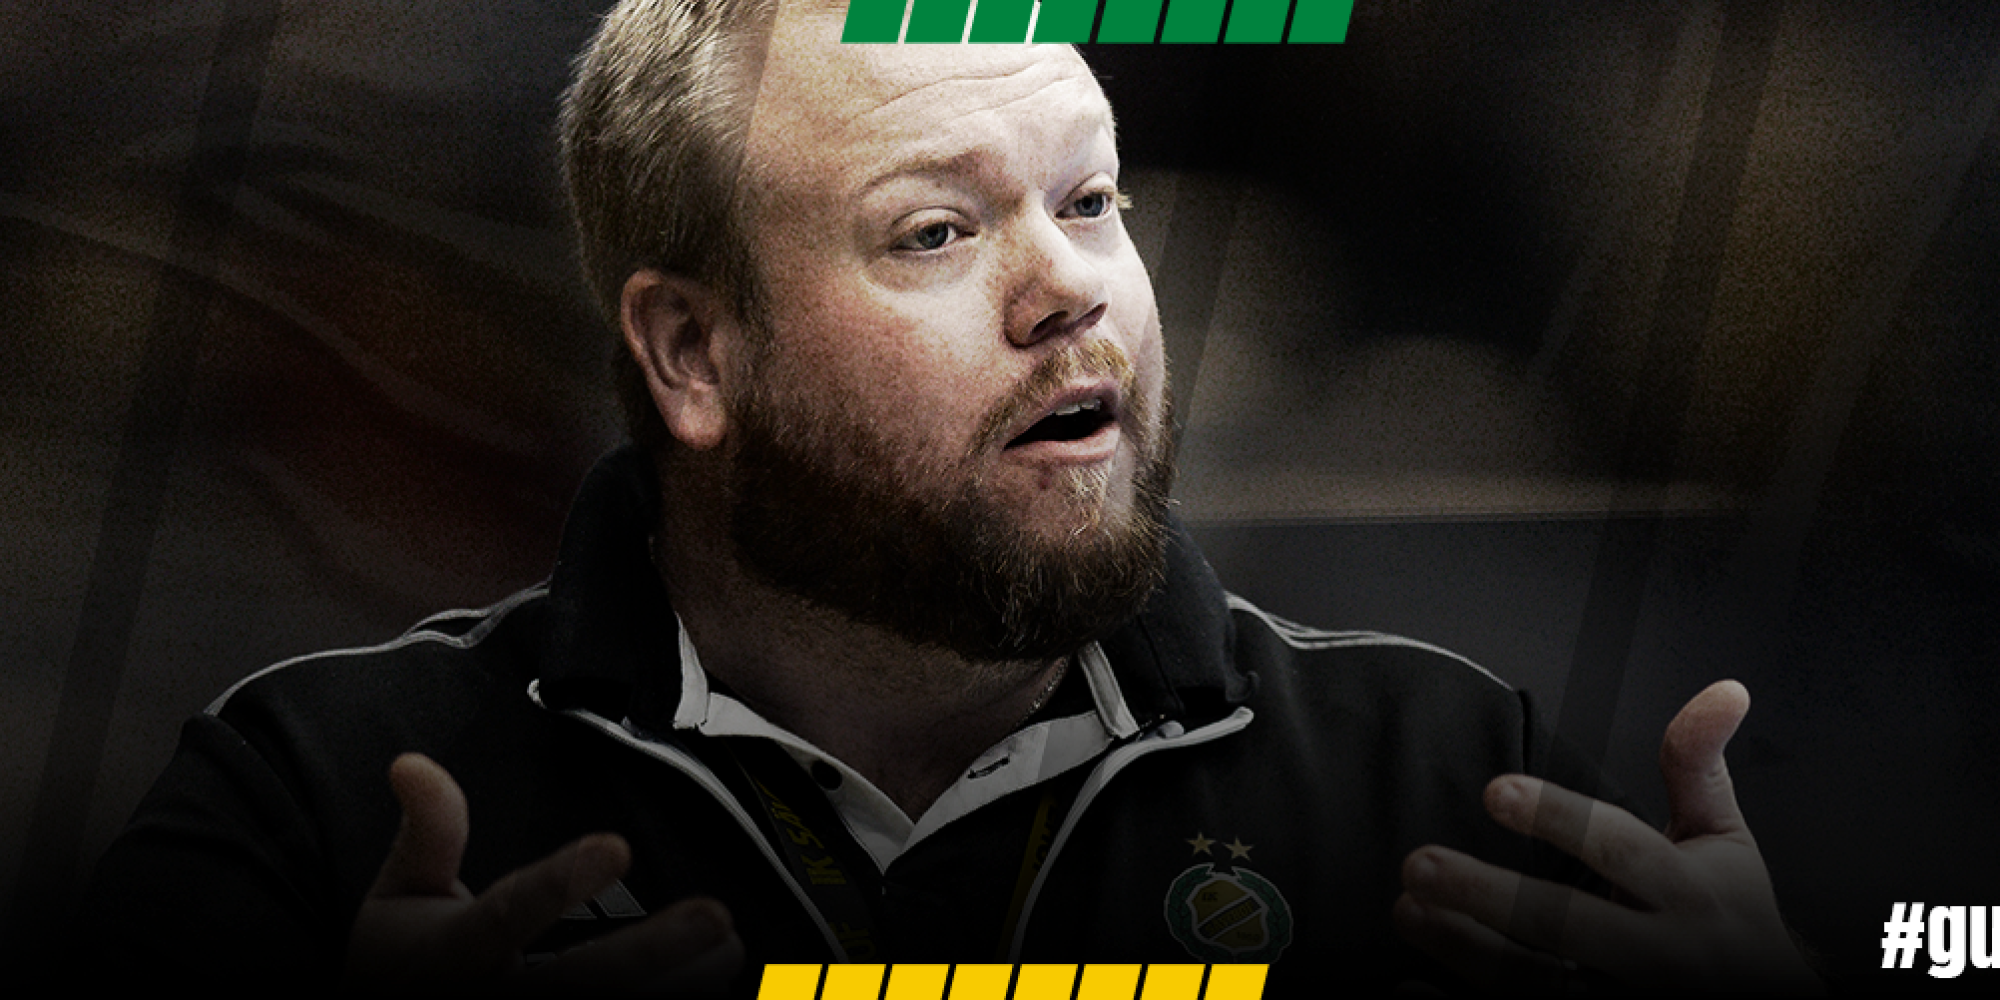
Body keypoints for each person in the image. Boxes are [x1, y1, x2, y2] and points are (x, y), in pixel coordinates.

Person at [84, 0, 1822, 993]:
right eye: (935, 230)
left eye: (1093, 202)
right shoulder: (310, 801)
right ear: (692, 352)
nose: (1069, 288)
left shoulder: (1449, 780)